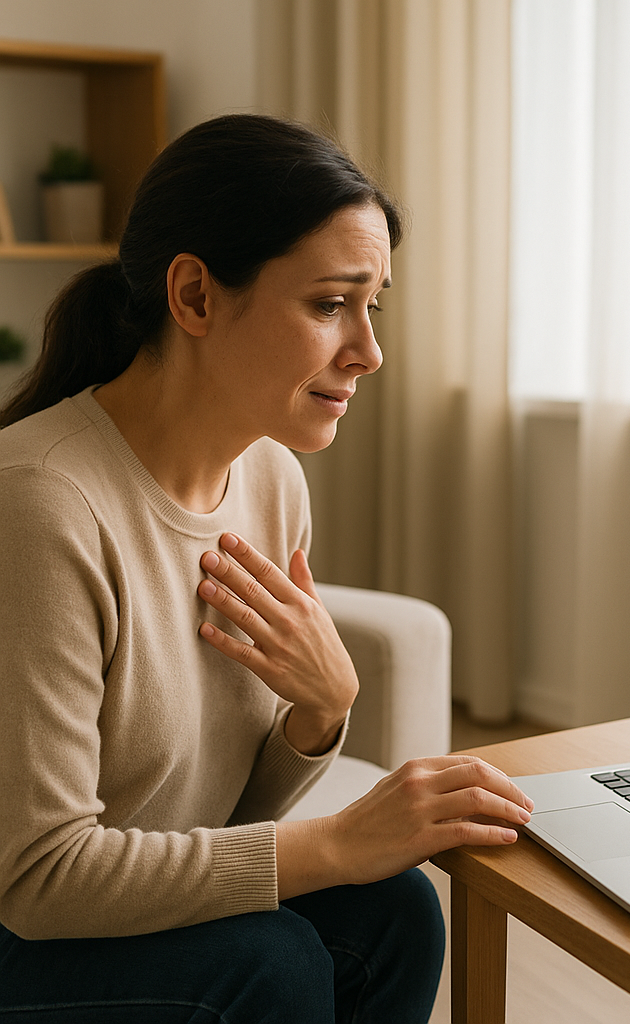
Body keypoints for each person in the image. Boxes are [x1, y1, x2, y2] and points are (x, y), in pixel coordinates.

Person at [0, 114, 533, 1023]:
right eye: (330, 305)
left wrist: (321, 715)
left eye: (373, 306)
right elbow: (40, 878)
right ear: (195, 296)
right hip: (23, 927)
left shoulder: (272, 481)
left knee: (398, 911)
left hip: (115, 902)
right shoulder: (41, 505)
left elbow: (221, 822)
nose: (369, 352)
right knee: (272, 962)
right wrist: (338, 840)